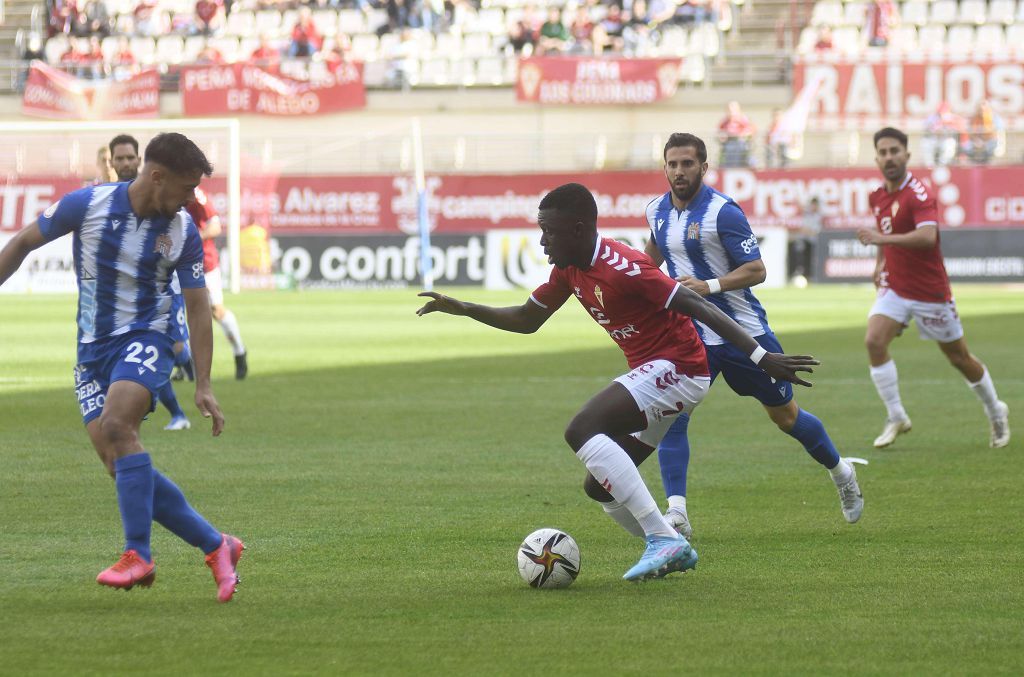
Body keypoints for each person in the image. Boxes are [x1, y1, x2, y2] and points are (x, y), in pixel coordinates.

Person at [417, 182, 819, 580]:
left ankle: (664, 539)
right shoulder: (569, 270)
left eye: (549, 231)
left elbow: (697, 303)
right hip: (657, 375)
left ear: (577, 229)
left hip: (680, 367)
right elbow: (527, 319)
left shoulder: (625, 267)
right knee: (599, 487)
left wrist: (762, 356)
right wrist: (464, 307)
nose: (542, 242)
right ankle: (669, 548)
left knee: (582, 429)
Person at [0, 133, 244, 601]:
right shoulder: (86, 205)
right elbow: (23, 242)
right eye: (186, 188)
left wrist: (205, 384)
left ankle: (138, 554)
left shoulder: (183, 231)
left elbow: (197, 308)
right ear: (156, 177)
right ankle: (218, 545)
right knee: (121, 462)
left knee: (117, 424)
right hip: (91, 351)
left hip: (146, 339)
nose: (192, 199)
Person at [645, 133, 864, 539]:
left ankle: (841, 471)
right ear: (664, 168)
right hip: (692, 335)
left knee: (786, 417)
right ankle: (677, 513)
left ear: (704, 168)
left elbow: (757, 269)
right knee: (673, 413)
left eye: (687, 164)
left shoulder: (723, 212)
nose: (679, 171)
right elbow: (653, 256)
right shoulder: (656, 211)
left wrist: (708, 286)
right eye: (672, 164)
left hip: (743, 333)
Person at [856, 127, 1009, 449]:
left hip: (930, 292)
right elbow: (885, 232)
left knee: (959, 357)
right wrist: (879, 264)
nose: (889, 157)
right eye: (883, 152)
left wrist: (881, 241)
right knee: (874, 340)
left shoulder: (919, 194)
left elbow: (927, 237)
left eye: (894, 151)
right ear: (877, 158)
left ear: (907, 155)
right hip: (895, 287)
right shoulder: (878, 196)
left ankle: (995, 410)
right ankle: (897, 416)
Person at [109, 134, 197, 399]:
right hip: (119, 300)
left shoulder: (171, 207)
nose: (125, 163)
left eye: (129, 157)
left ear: (139, 160)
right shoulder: (101, 201)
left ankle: (188, 375)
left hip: (164, 291)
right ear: (111, 162)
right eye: (119, 158)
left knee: (178, 343)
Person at [188, 183, 249, 380]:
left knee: (216, 311)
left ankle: (239, 352)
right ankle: (183, 363)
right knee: (174, 313)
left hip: (204, 262)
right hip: (176, 263)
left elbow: (214, 226)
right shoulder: (162, 191)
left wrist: (195, 237)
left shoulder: (196, 195)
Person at [717, 101, 754, 168]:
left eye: (733, 110)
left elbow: (750, 130)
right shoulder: (725, 121)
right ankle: (728, 167)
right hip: (728, 142)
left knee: (741, 149)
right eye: (729, 110)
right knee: (728, 151)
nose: (731, 112)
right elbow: (720, 132)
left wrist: (742, 135)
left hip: (740, 143)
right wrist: (722, 136)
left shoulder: (743, 119)